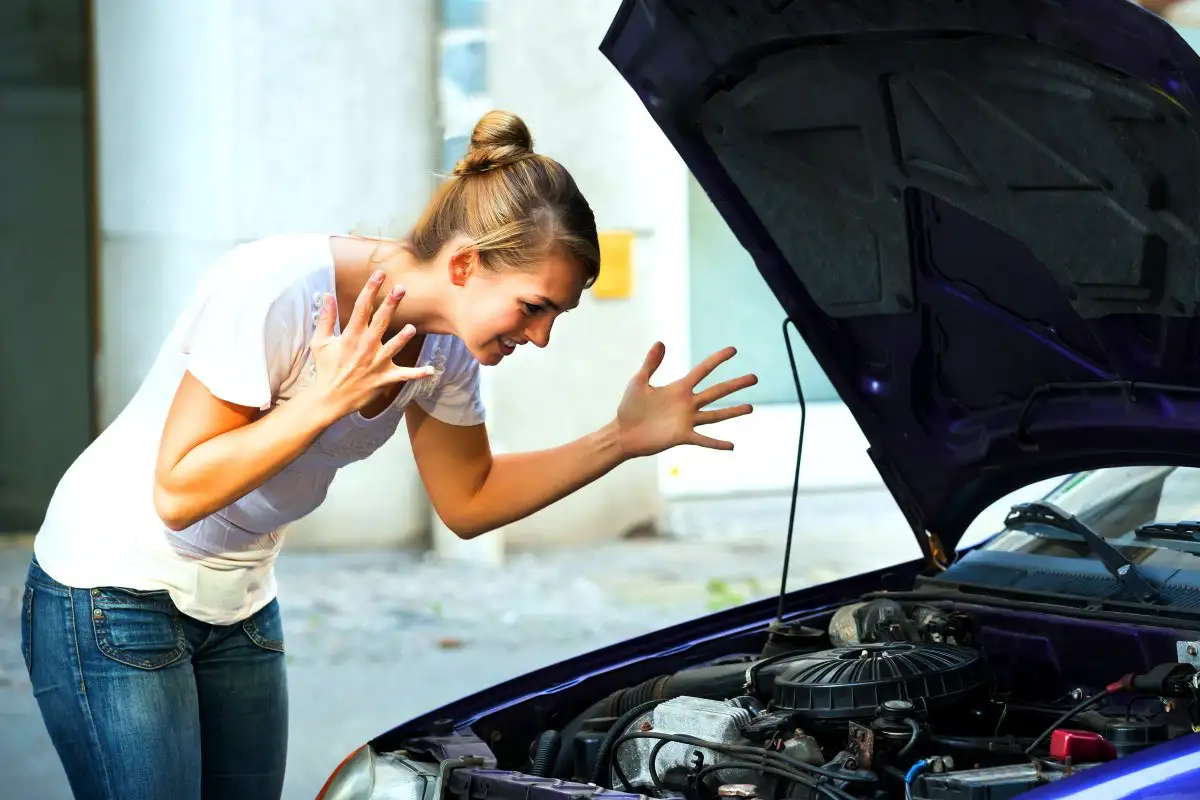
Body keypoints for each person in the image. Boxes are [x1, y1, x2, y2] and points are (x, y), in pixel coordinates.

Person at [19, 110, 757, 800]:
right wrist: (322, 399)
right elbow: (178, 490)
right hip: (111, 589)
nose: (540, 337)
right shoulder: (277, 289)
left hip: (238, 597)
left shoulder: (449, 349)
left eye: (555, 316)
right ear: (465, 266)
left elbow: (469, 501)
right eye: (534, 306)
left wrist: (620, 440)